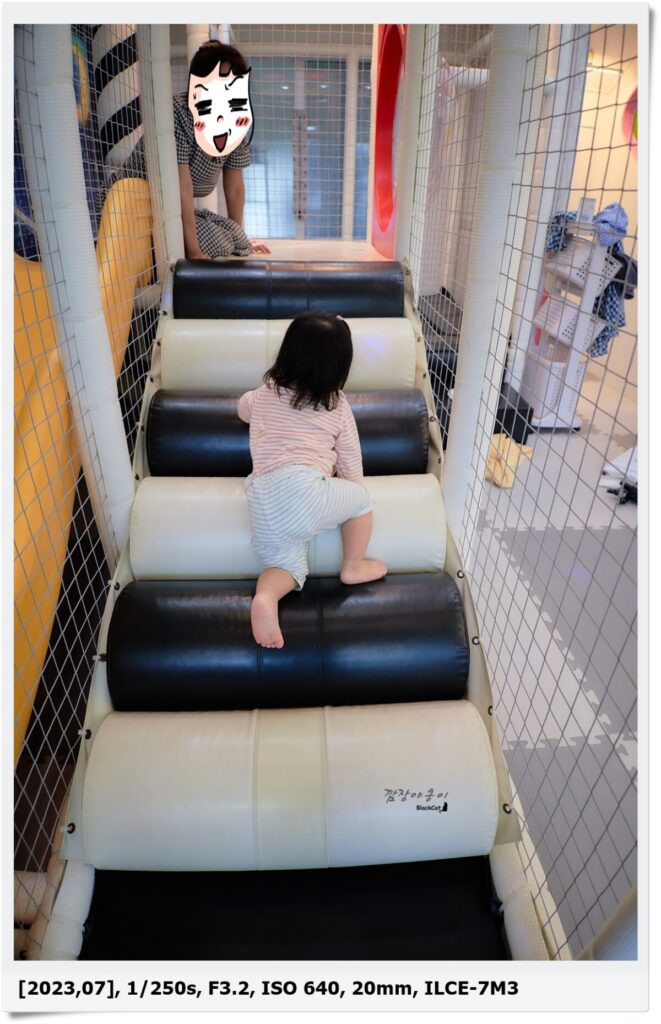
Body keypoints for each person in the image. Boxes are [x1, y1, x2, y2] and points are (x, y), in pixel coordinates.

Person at [238, 312, 387, 649]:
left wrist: (251, 411)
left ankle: (266, 596)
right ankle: (353, 565)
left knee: (289, 567)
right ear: (339, 368)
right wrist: (352, 488)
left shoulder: (265, 393)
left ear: (287, 354)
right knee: (361, 500)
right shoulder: (336, 405)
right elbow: (350, 461)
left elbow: (243, 408)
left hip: (262, 501)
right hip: (306, 491)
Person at [176, 40, 270, 258]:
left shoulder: (235, 121)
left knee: (231, 237)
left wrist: (240, 239)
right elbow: (182, 187)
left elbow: (235, 187)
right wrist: (194, 251)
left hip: (182, 209)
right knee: (218, 241)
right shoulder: (180, 112)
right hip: (145, 203)